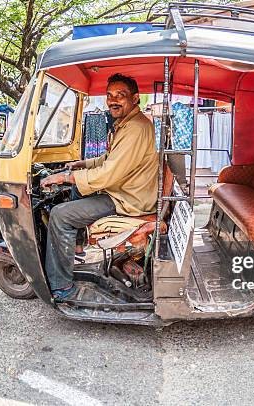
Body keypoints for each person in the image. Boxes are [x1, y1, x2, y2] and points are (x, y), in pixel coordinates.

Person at [40, 73, 159, 301]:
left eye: (120, 95)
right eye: (109, 95)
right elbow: (109, 158)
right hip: (126, 190)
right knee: (75, 190)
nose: (113, 100)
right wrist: (82, 164)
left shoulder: (135, 128)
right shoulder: (126, 124)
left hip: (129, 199)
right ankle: (77, 246)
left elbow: (108, 174)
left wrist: (64, 177)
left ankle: (62, 287)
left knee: (59, 215)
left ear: (136, 99)